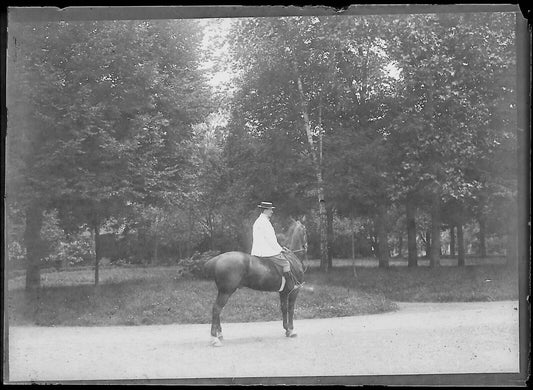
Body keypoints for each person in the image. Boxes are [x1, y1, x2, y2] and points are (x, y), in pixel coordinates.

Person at [250, 201, 302, 291]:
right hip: (266, 251)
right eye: (270, 210)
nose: (272, 211)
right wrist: (280, 250)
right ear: (265, 210)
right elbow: (270, 240)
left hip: (259, 249)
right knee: (286, 263)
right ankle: (290, 286)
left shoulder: (259, 221)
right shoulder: (264, 222)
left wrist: (280, 248)